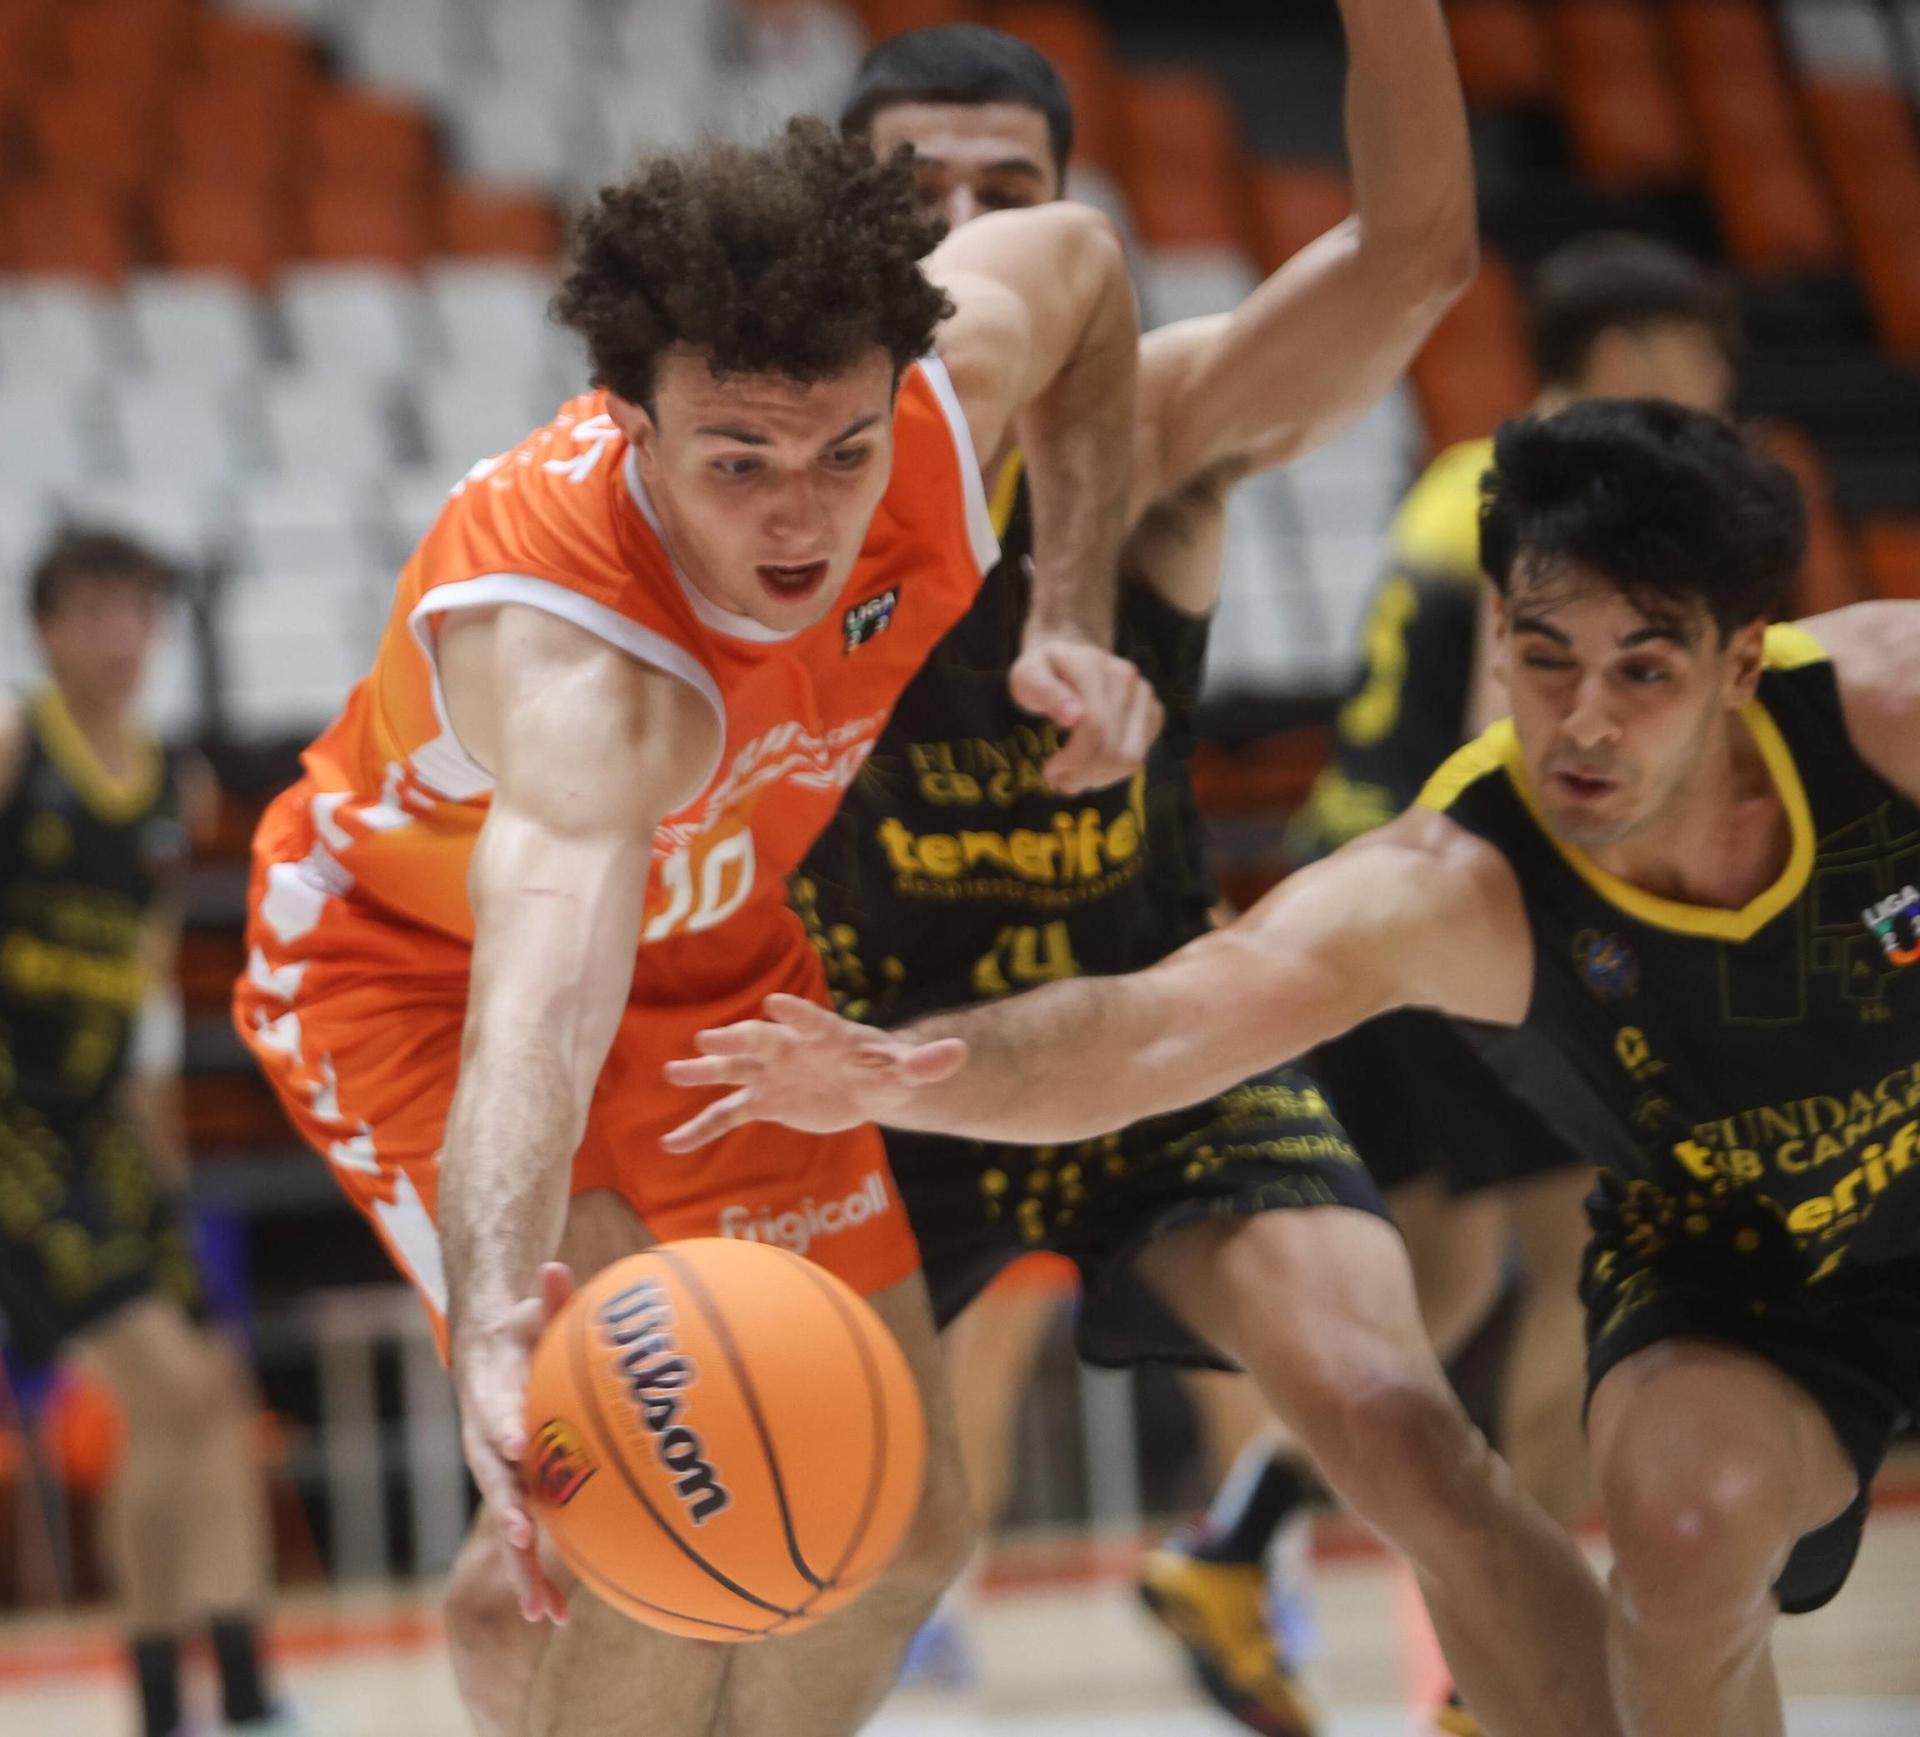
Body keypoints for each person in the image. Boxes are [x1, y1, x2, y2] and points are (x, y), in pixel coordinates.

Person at [671, 397, 1920, 1737]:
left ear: (1740, 665)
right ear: (1500, 646)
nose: (1587, 722)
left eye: (1644, 672)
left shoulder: (1884, 712)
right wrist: (898, 1067)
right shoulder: (1457, 880)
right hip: (1738, 1264)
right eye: (1546, 660)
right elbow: (1156, 1028)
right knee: (1677, 1524)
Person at [233, 117, 1157, 1737]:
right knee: (661, 1510)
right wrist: (504, 1323)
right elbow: (538, 1014)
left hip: (715, 945)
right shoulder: (587, 671)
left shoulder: (940, 403)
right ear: (632, 420)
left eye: (841, 455)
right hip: (415, 972)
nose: (802, 519)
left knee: (899, 1522)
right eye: (737, 460)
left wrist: (1071, 608)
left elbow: (1080, 270)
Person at [809, 16, 1601, 1735]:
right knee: (856, 1555)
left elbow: (1415, 255)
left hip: (1155, 1040)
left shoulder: (1160, 419)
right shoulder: (758, 471)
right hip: (868, 1070)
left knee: (1406, 1419)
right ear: (833, 221)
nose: (961, 225)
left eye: (1007, 191)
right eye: (914, 189)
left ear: (1073, 225)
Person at [1173, 232, 1740, 1736]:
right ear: (1624, 360)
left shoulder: (1454, 485)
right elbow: (1549, 747)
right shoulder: (1561, 516)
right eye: (1699, 353)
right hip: (1446, 927)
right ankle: (1497, 1679)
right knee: (1571, 1265)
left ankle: (1232, 1546)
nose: (1723, 382)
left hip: (1350, 912)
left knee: (1434, 1286)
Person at [0, 530, 291, 1737]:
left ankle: (237, 1693)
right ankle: (165, 1705)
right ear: (45, 629)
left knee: (208, 1395)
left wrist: (161, 1140)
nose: (120, 636)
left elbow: (135, 985)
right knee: (167, 1384)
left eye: (137, 612)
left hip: (100, 1124)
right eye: (93, 612)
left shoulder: (167, 788)